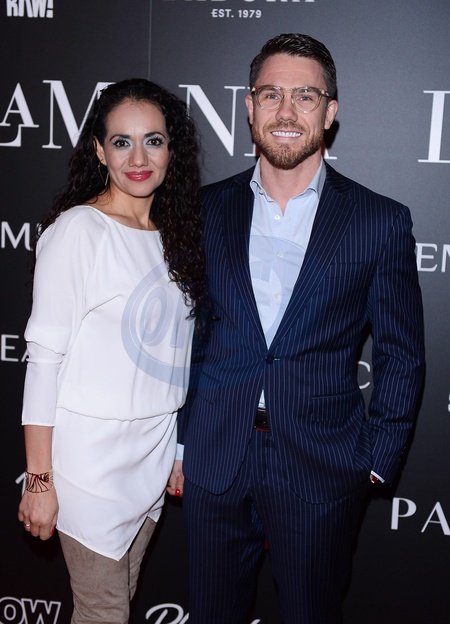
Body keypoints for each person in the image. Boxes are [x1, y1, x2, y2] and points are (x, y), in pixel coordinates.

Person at [168, 34, 425, 623]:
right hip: (214, 458)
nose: (286, 112)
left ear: (330, 112)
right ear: (250, 106)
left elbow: (401, 353)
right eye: (271, 95)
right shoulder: (204, 210)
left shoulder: (380, 220)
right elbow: (188, 338)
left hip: (322, 465)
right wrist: (182, 442)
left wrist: (376, 458)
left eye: (305, 96)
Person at [17, 78, 205, 624]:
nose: (138, 158)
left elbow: (172, 358)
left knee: (115, 604)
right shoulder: (79, 231)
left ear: (172, 149)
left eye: (153, 140)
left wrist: (176, 449)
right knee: (104, 612)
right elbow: (44, 361)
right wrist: (40, 481)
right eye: (122, 142)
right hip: (91, 465)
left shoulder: (175, 235)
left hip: (151, 456)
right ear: (99, 151)